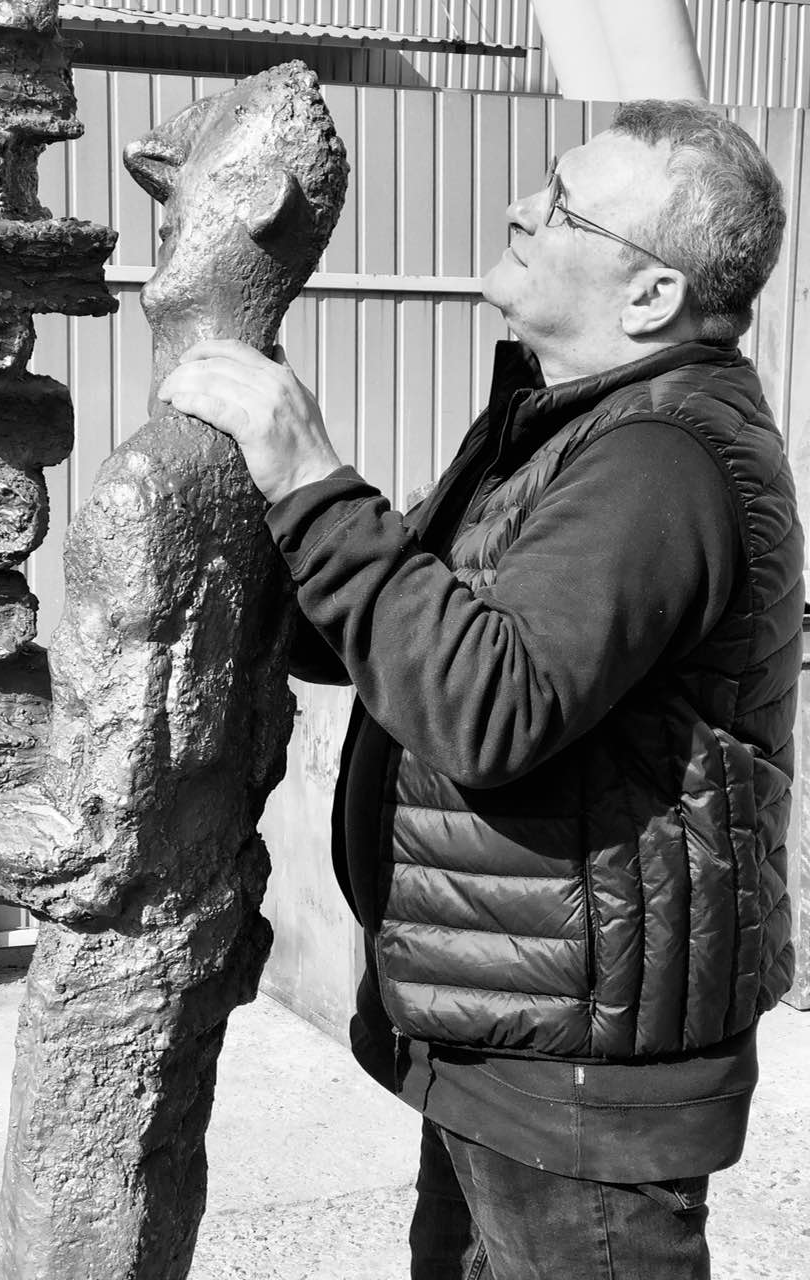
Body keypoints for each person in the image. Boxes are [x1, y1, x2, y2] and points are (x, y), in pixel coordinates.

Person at [158, 99, 804, 1280]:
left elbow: (479, 706)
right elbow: (378, 635)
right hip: (510, 1036)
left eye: (560, 205)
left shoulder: (657, 459)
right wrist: (262, 486)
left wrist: (311, 476)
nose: (517, 206)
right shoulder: (559, 426)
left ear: (650, 294)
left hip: (579, 1083)